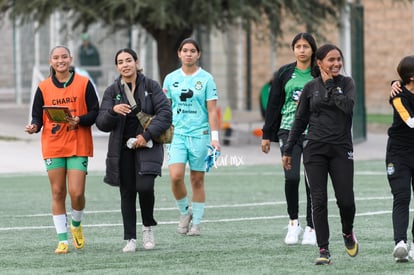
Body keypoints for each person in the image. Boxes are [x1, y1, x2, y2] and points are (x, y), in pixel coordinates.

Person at [282, 44, 358, 265]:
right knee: (318, 200)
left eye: (338, 59)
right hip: (314, 149)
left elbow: (346, 107)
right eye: (330, 60)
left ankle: (347, 232)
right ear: (320, 63)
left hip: (341, 149)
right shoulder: (310, 87)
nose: (336, 64)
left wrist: (331, 84)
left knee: (346, 201)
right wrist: (288, 149)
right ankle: (323, 249)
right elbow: (300, 120)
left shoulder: (347, 83)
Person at [24, 45, 99, 254]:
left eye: (64, 57)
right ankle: (62, 240)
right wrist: (34, 126)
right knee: (58, 192)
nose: (60, 61)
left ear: (71, 58)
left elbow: (95, 112)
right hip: (53, 145)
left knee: (77, 193)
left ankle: (76, 224)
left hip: (78, 143)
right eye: (56, 58)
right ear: (51, 61)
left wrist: (79, 120)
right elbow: (37, 116)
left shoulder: (84, 84)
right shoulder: (43, 87)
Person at [96, 48, 172, 252]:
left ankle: (148, 227)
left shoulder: (151, 86)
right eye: (120, 62)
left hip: (147, 145)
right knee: (127, 192)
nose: (125, 65)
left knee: (145, 187)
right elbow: (101, 123)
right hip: (122, 149)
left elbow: (165, 114)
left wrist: (145, 136)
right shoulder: (112, 91)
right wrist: (112, 111)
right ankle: (130, 238)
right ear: (117, 67)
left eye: (128, 60)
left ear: (136, 62)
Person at [261, 32, 317, 246]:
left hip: (314, 132)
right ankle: (294, 223)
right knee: (292, 178)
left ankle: (312, 226)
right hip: (287, 131)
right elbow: (274, 105)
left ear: (312, 49)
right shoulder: (284, 73)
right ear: (293, 49)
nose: (301, 50)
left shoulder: (319, 72)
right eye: (298, 46)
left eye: (305, 46)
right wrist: (267, 134)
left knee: (312, 181)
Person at [163, 38, 220, 236]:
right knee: (176, 177)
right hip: (176, 135)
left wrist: (215, 138)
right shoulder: (170, 79)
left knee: (197, 180)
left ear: (198, 54)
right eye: (185, 50)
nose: (188, 54)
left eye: (192, 51)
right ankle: (184, 212)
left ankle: (196, 222)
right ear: (179, 53)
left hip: (200, 135)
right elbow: (166, 108)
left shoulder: (206, 79)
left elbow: (212, 111)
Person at [385, 55, 414, 262]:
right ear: (412, 77)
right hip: (399, 153)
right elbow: (410, 122)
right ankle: (400, 244)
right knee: (402, 197)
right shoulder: (398, 96)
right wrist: (394, 84)